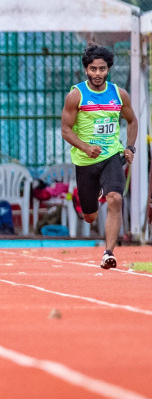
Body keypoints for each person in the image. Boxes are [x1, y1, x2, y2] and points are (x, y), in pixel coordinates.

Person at [60, 44, 139, 269]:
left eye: (102, 69)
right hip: (85, 161)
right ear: (86, 69)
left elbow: (132, 121)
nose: (98, 74)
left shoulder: (119, 94)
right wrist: (85, 147)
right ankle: (88, 206)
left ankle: (108, 253)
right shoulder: (76, 95)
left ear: (108, 69)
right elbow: (66, 130)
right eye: (93, 69)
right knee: (90, 216)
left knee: (115, 198)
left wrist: (130, 148)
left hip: (112, 155)